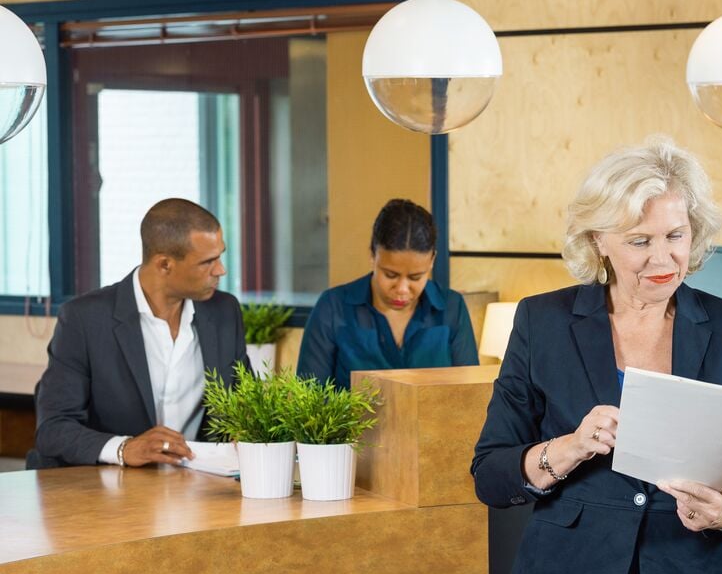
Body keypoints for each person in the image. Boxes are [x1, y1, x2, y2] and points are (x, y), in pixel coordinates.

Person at [472, 138, 722, 574]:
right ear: (599, 241)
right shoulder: (541, 322)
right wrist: (567, 447)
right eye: (639, 241)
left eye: (676, 236)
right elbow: (491, 472)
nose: (663, 258)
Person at [31, 198, 248, 469]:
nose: (221, 270)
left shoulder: (224, 311)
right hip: (110, 491)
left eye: (221, 256)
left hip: (199, 489)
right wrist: (124, 448)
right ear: (164, 264)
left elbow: (241, 408)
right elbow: (53, 429)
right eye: (208, 262)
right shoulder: (84, 319)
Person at [297, 198, 477, 389]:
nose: (402, 289)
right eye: (391, 275)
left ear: (432, 260)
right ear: (373, 254)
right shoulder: (333, 308)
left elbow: (469, 396)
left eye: (416, 277)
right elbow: (308, 402)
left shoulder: (451, 308)